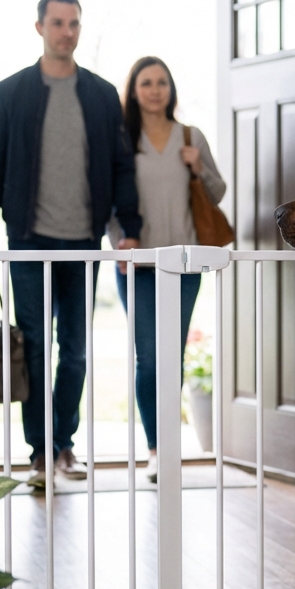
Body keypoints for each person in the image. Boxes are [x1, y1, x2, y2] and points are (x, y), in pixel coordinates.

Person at [0, 0, 141, 490]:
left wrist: (127, 231)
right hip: (27, 244)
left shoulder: (100, 94)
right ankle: (39, 455)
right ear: (40, 28)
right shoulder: (11, 92)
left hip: (83, 243)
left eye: (73, 24)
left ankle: (62, 444)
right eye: (57, 23)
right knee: (34, 349)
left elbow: (119, 167)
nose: (66, 32)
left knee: (75, 352)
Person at [109, 56, 226, 482]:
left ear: (170, 89)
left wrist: (198, 165)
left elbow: (217, 192)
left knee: (170, 357)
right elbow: (109, 202)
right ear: (134, 89)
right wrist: (119, 245)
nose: (155, 90)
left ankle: (168, 447)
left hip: (185, 261)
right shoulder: (123, 140)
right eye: (146, 82)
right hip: (136, 263)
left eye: (161, 82)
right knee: (148, 360)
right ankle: (156, 449)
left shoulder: (191, 136)